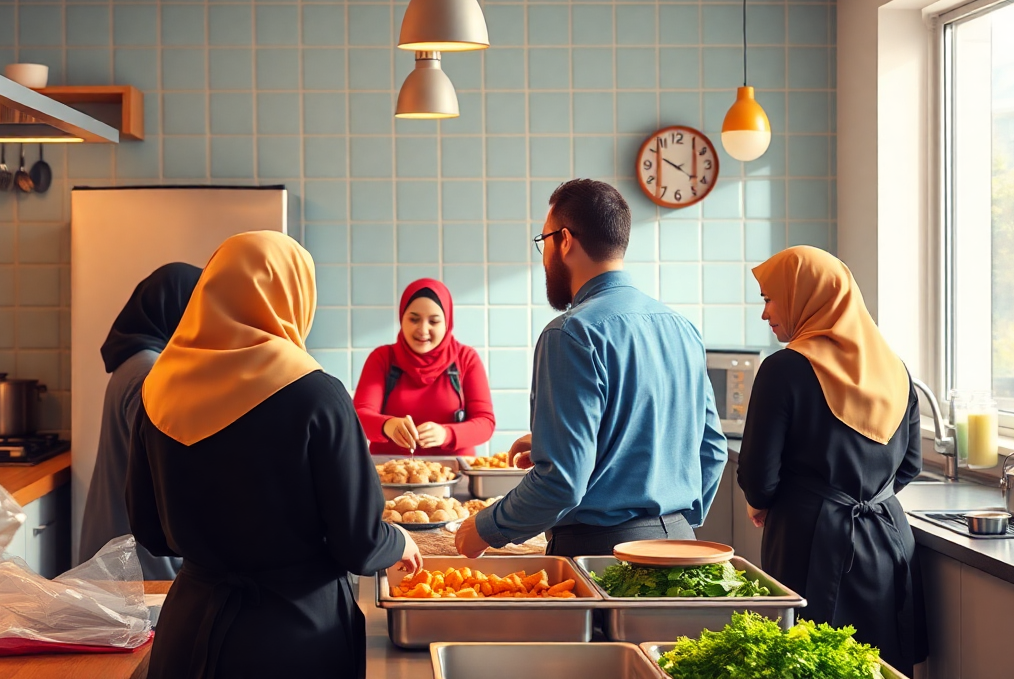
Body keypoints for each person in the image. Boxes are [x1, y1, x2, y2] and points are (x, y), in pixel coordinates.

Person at [127, 231, 421, 679]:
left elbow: (150, 531)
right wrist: (399, 540)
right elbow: (359, 543)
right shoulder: (316, 394)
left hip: (188, 632)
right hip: (295, 635)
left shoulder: (158, 389)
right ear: (294, 295)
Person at [455, 179, 728, 558]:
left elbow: (561, 485)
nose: (544, 255)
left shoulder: (571, 333)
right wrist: (671, 521)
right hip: (684, 547)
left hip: (600, 557)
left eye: (544, 241)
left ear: (564, 240)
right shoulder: (682, 328)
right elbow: (711, 449)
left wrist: (485, 528)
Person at [737, 245, 926, 675]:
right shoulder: (896, 369)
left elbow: (759, 476)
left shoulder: (784, 368)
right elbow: (910, 464)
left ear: (807, 295)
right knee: (879, 666)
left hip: (810, 541)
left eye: (769, 298)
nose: (765, 314)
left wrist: (762, 500)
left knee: (808, 660)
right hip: (887, 538)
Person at [79, 262, 200, 579]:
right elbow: (163, 470)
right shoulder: (151, 372)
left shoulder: (136, 364)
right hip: (139, 566)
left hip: (120, 554)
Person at [353, 278, 496, 456]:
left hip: (455, 475)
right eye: (414, 319)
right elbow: (358, 417)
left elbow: (485, 423)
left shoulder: (466, 359)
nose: (423, 329)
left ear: (447, 323)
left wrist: (447, 434)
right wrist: (387, 425)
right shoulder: (382, 358)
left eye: (434, 321)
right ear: (401, 318)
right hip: (389, 473)